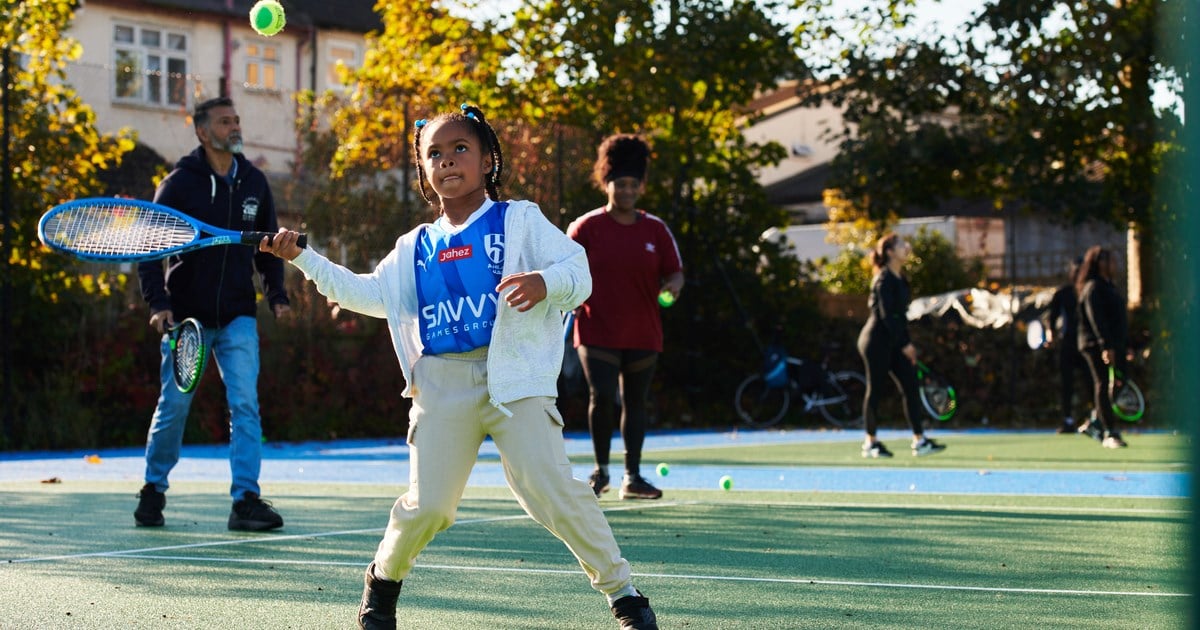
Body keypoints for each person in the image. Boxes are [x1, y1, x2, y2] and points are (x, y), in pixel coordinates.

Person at [260, 105, 659, 630]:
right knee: (430, 509)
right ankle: (382, 582)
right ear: (425, 172)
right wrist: (305, 260)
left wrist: (544, 282)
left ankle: (625, 597)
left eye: (460, 149)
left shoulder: (520, 219)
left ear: (488, 158)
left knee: (554, 492)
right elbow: (367, 293)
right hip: (442, 386)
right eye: (434, 155)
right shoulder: (414, 247)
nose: (447, 161)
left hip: (515, 383)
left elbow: (577, 272)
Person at [134, 97, 290, 531]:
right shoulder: (179, 184)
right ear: (203, 132)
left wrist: (276, 293)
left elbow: (268, 245)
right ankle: (152, 490)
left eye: (237, 119)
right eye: (225, 121)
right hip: (188, 317)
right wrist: (159, 304)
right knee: (175, 406)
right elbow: (150, 248)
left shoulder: (255, 182)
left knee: (246, 406)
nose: (235, 126)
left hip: (239, 313)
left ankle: (245, 501)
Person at [567, 134, 684, 501]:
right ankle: (601, 472)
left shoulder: (656, 229)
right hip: (596, 328)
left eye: (635, 184)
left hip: (643, 331)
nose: (628, 190)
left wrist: (672, 287)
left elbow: (675, 272)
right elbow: (563, 269)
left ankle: (632, 477)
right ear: (608, 184)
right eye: (621, 184)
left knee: (636, 401)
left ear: (641, 187)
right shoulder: (585, 228)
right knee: (601, 397)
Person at [857, 233, 946, 458]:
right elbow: (887, 316)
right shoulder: (884, 279)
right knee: (874, 389)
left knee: (910, 386)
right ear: (889, 252)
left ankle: (920, 440)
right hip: (875, 341)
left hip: (894, 341)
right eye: (901, 245)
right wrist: (904, 343)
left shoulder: (901, 279)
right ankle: (870, 442)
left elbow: (900, 317)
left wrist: (907, 344)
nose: (907, 247)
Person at [1074, 245, 1129, 448]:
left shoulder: (1109, 287)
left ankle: (1096, 423)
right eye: (1110, 260)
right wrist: (1106, 346)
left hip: (1113, 344)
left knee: (1116, 384)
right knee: (1103, 383)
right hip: (1095, 345)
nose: (1114, 264)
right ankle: (1109, 433)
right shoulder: (1093, 288)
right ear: (1100, 264)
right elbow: (1097, 320)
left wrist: (1123, 346)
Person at [1046, 257, 1090, 434]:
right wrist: (1051, 334)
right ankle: (1067, 420)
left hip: (1087, 344)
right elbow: (1052, 318)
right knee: (1067, 384)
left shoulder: (1090, 292)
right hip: (1068, 344)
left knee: (1092, 383)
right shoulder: (1063, 293)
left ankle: (1094, 419)